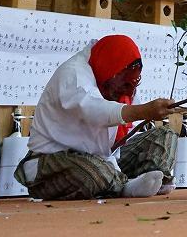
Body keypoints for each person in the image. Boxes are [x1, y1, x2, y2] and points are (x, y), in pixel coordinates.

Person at [15, 35, 178, 200]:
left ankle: (148, 179)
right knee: (89, 172)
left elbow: (123, 123)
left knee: (165, 135)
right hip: (53, 163)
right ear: (108, 71)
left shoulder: (122, 82)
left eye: (132, 86)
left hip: (105, 160)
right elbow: (97, 112)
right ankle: (123, 186)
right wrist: (144, 111)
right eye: (124, 86)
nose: (126, 93)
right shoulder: (73, 74)